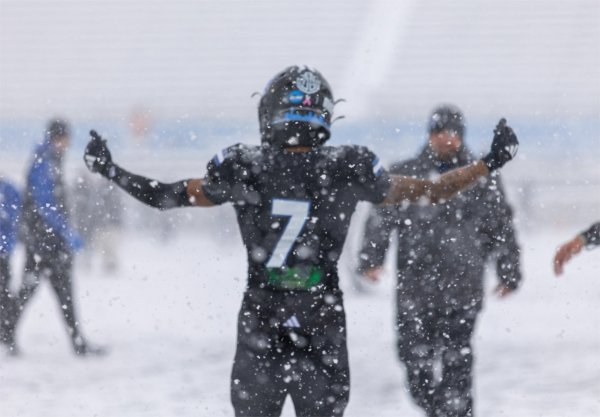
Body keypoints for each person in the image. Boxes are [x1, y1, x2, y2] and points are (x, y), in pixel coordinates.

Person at [83, 67, 518, 417]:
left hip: (263, 314)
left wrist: (112, 171)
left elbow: (167, 196)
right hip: (321, 316)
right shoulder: (348, 167)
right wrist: (487, 164)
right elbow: (433, 189)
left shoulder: (245, 166)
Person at [357, 104, 522, 417]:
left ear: (461, 135)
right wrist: (371, 257)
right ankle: (441, 411)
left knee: (457, 362)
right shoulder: (406, 172)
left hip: (463, 286)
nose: (445, 138)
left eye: (452, 132)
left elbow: (501, 226)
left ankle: (456, 412)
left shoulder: (482, 177)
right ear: (429, 135)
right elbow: (381, 218)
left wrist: (509, 270)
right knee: (414, 365)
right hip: (414, 290)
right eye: (439, 132)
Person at [5, 119, 104, 356]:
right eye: (66, 138)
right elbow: (44, 203)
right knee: (52, 292)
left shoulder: (47, 158)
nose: (68, 143)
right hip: (46, 242)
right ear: (59, 137)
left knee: (43, 292)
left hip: (43, 241)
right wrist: (65, 231)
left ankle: (76, 342)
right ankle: (9, 335)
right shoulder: (44, 161)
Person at [0, 177, 21, 354]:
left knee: (6, 294)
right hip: (3, 251)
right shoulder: (8, 189)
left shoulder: (7, 189)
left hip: (2, 252)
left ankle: (7, 333)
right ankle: (7, 333)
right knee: (6, 295)